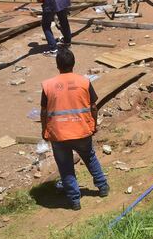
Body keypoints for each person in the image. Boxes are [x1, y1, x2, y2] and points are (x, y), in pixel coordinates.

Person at [40, 48, 109, 210]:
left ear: (58, 65)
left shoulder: (48, 85)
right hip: (81, 130)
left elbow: (43, 112)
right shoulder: (84, 82)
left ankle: (74, 200)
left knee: (65, 167)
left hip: (59, 134)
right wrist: (94, 124)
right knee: (90, 158)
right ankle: (102, 186)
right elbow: (93, 106)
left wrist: (45, 130)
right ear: (73, 64)